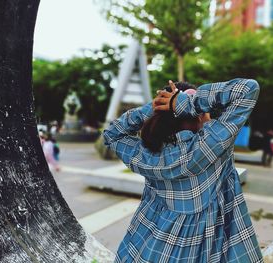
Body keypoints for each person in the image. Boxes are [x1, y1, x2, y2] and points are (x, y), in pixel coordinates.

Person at [104, 78, 263, 262]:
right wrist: (186, 103)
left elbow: (112, 134)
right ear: (196, 114)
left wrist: (153, 106)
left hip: (145, 250)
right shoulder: (211, 147)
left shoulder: (148, 156)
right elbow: (247, 89)